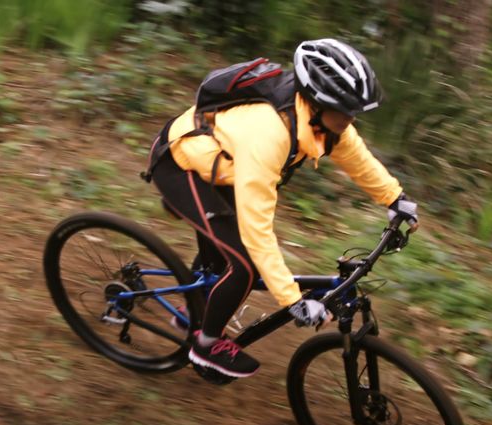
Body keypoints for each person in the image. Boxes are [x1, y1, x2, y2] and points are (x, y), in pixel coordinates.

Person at [145, 38, 419, 381]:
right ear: (316, 103)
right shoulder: (270, 134)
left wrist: (395, 198)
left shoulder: (325, 123)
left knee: (222, 257)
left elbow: (357, 158)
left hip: (224, 165)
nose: (350, 119)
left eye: (354, 111)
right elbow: (257, 229)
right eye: (344, 110)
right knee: (244, 264)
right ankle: (206, 345)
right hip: (181, 165)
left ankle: (196, 307)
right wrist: (292, 299)